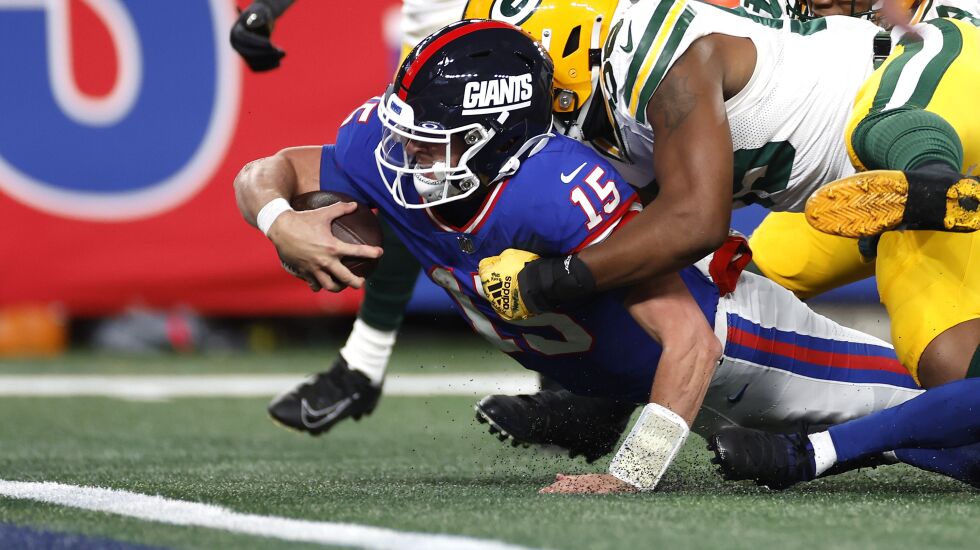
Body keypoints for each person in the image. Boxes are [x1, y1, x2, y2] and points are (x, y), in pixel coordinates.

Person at [233, 20, 948, 492]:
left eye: (429, 141)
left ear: (494, 134)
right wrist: (279, 222)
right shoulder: (388, 154)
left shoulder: (552, 192)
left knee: (934, 414)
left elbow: (691, 340)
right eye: (405, 133)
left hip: (743, 353)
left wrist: (631, 472)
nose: (403, 154)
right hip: (653, 383)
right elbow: (270, 171)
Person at [472, 0, 980, 489]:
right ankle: (599, 408)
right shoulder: (605, 104)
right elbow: (644, 251)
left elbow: (696, 223)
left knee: (949, 366)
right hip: (846, 197)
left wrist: (553, 281)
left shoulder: (656, 59)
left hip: (921, 108)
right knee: (740, 302)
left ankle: (936, 185)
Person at [230, 0, 642, 461]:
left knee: (607, 189)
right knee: (422, 176)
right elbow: (281, 171)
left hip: (571, 27)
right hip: (456, 20)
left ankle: (602, 391)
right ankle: (368, 360)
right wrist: (280, 220)